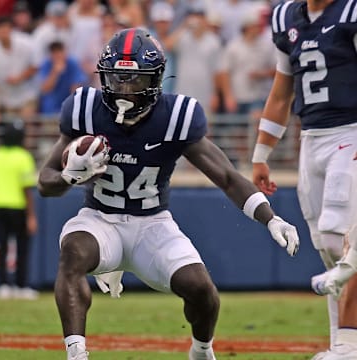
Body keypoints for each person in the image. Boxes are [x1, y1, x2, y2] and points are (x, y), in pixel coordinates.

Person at [37, 28, 300, 360]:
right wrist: (70, 176)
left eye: (135, 81)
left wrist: (270, 218)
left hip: (152, 225)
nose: (125, 90)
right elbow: (45, 182)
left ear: (157, 79)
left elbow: (228, 178)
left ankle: (201, 350)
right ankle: (77, 354)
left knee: (203, 292)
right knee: (73, 253)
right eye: (117, 79)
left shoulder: (176, 117)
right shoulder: (85, 108)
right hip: (100, 220)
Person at [251, 0, 357, 359]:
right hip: (311, 139)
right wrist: (261, 154)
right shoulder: (287, 18)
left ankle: (348, 345)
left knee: (336, 237)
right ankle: (340, 346)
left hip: (351, 131)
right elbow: (282, 93)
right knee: (330, 255)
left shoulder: (350, 12)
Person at [0, 118, 38, 300]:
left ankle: (4, 285)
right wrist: (31, 216)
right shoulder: (23, 156)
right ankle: (21, 285)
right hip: (18, 207)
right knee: (22, 248)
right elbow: (27, 189)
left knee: (3, 247)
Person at [38, 41, 88, 116]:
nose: (58, 55)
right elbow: (45, 89)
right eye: (54, 53)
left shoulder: (72, 63)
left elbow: (76, 87)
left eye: (59, 52)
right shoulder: (46, 64)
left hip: (69, 105)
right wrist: (55, 73)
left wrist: (71, 108)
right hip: (51, 108)